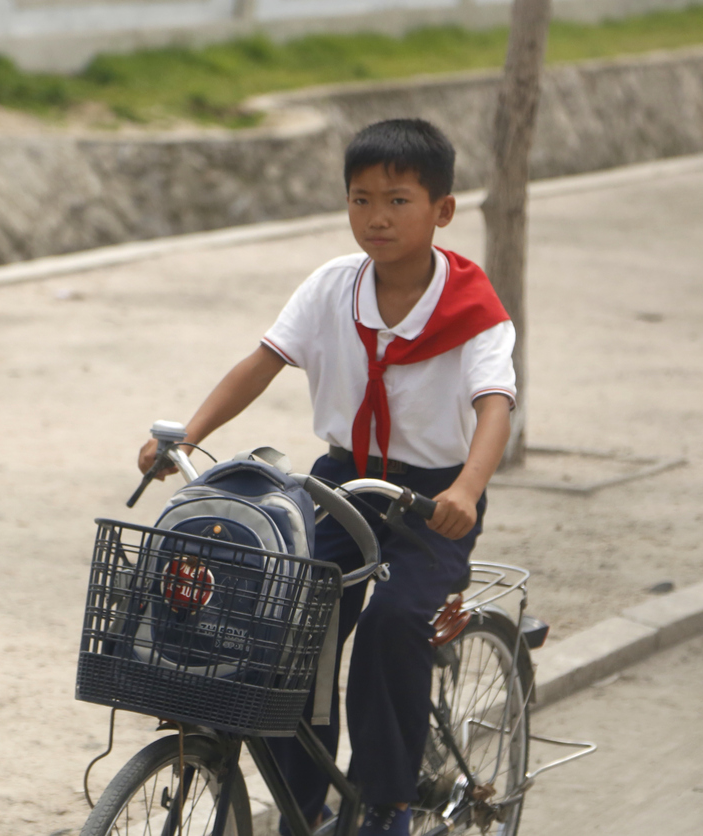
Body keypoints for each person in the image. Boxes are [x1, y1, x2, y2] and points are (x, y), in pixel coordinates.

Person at [137, 118, 516, 836]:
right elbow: (263, 360)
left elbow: (494, 404)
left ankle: (387, 801)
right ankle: (303, 804)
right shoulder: (331, 287)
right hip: (340, 482)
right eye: (360, 199)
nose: (376, 217)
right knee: (282, 619)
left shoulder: (473, 310)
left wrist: (466, 488)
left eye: (398, 201)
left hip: (431, 494)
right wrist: (188, 434)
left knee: (392, 625)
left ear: (443, 210)